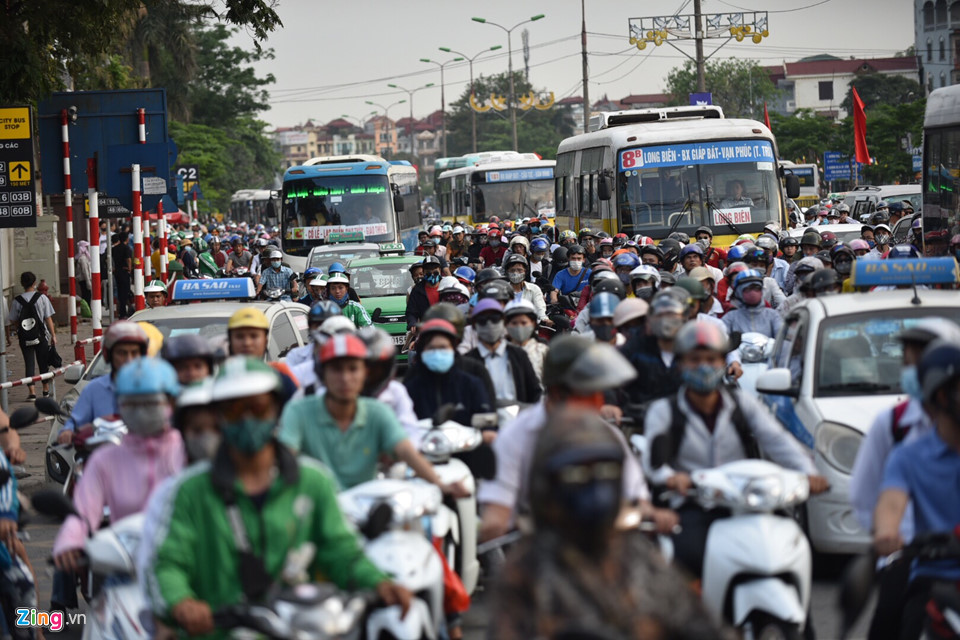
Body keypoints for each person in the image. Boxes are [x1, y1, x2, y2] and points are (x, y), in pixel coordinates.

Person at [143, 357, 412, 636]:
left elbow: (341, 548)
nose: (247, 419)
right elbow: (167, 563)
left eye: (258, 408)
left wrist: (379, 582)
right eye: (234, 410)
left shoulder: (313, 482)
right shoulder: (189, 491)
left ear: (276, 410)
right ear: (220, 418)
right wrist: (182, 603)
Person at [489, 409, 724, 640]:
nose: (594, 486)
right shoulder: (528, 570)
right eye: (576, 474)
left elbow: (700, 625)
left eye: (605, 471)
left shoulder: (638, 556)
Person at [643, 321, 824, 578]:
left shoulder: (742, 403)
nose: (704, 366)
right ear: (681, 364)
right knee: (684, 559)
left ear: (723, 363)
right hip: (692, 504)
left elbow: (777, 440)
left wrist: (808, 472)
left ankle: (801, 620)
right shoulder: (663, 411)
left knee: (791, 549)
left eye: (711, 359)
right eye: (695, 360)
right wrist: (673, 479)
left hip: (746, 501)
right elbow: (655, 465)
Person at [479, 336, 676, 542]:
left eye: (599, 392)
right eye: (588, 393)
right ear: (557, 393)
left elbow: (636, 497)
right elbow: (497, 515)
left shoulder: (608, 435)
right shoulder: (515, 437)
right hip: (539, 549)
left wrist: (653, 514)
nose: (597, 401)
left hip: (604, 546)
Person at [850, 319, 960, 640]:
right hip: (925, 568)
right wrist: (889, 536)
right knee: (892, 622)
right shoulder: (905, 449)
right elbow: (886, 500)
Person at [52, 358, 184, 605]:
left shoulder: (186, 450)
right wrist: (70, 541)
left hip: (182, 568)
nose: (142, 409)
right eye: (132, 403)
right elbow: (83, 511)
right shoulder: (105, 460)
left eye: (151, 401)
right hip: (124, 570)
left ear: (172, 402)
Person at [279, 333, 469, 496]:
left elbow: (406, 451)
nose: (345, 378)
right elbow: (285, 455)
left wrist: (440, 484)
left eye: (353, 369)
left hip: (369, 504)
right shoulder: (299, 411)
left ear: (364, 374)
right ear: (322, 374)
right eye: (336, 369)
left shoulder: (378, 412)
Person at [58, 320, 148, 444]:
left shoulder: (152, 388)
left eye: (134, 353)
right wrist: (67, 431)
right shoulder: (94, 389)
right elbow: (75, 420)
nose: (129, 359)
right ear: (109, 355)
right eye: (122, 353)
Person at [404, 318, 494, 429]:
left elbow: (487, 419)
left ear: (453, 348)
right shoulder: (410, 388)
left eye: (443, 347)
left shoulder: (471, 384)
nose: (437, 353)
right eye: (431, 348)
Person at [464, 299, 542, 410]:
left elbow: (534, 393)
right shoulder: (468, 361)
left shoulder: (518, 355)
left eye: (495, 319)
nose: (489, 324)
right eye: (482, 320)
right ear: (475, 326)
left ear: (503, 322)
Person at [7, 272, 56, 400]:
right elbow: (48, 318)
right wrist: (53, 335)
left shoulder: (17, 301)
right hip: (41, 336)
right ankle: (45, 390)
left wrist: (20, 328)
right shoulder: (42, 298)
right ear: (35, 283)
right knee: (43, 362)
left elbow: (12, 319)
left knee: (29, 363)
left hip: (25, 337)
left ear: (22, 284)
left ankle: (32, 392)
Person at [722, 270, 783, 339]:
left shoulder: (773, 316)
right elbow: (721, 343)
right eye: (747, 289)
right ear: (738, 293)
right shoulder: (730, 318)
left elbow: (782, 341)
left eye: (757, 288)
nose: (753, 292)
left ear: (762, 290)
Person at [504, 300, 548, 383]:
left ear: (533, 324)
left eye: (523, 323)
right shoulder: (499, 351)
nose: (519, 327)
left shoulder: (543, 351)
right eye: (514, 323)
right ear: (506, 325)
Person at [503, 254, 548, 323]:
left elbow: (540, 309)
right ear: (507, 272)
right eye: (512, 270)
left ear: (525, 272)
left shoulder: (534, 289)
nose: (515, 273)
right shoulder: (501, 290)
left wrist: (545, 320)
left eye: (519, 270)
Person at [405, 255, 443, 327]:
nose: (432, 275)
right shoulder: (416, 290)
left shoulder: (447, 286)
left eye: (435, 272)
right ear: (424, 272)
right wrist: (413, 323)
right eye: (428, 273)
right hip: (426, 329)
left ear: (440, 271)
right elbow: (411, 312)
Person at [112, 232, 133, 317]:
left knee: (120, 292)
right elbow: (128, 259)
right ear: (127, 239)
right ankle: (124, 311)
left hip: (117, 272)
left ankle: (122, 311)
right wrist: (129, 269)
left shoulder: (114, 249)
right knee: (125, 292)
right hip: (124, 271)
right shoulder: (126, 248)